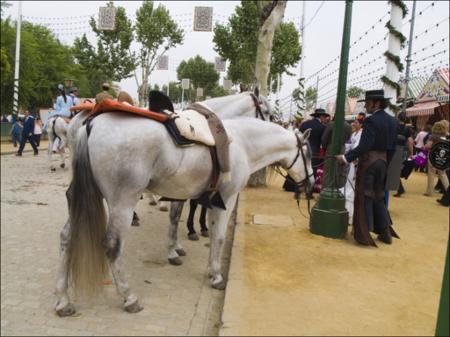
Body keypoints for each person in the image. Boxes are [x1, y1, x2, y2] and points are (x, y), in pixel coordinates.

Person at [336, 89, 399, 246]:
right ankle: (385, 233)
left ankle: (363, 234)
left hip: (369, 162)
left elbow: (365, 145)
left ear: (377, 103)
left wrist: (345, 158)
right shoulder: (393, 121)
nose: (366, 107)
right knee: (378, 196)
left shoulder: (371, 121)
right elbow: (392, 147)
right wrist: (385, 163)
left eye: (368, 103)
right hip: (383, 162)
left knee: (364, 195)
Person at [340, 113, 365, 224]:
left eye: (356, 123)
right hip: (351, 162)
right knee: (348, 184)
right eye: (354, 122)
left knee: (352, 186)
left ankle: (351, 214)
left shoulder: (361, 134)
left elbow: (358, 149)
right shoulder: (354, 134)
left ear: (361, 125)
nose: (354, 124)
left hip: (356, 163)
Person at [299, 109, 329, 179]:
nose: (325, 119)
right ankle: (310, 187)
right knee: (312, 169)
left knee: (300, 166)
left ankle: (293, 186)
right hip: (314, 151)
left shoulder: (304, 124)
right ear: (321, 116)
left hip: (302, 148)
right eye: (324, 117)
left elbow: (299, 136)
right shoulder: (322, 127)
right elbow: (323, 141)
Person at [424, 120, 449, 198]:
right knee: (443, 174)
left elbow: (428, 146)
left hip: (433, 157)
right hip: (443, 158)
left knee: (431, 173)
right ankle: (448, 191)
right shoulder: (446, 136)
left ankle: (430, 191)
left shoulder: (433, 136)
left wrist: (425, 146)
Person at [390, 113, 414, 197]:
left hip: (393, 150)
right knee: (396, 170)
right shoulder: (408, 129)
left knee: (394, 170)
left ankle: (400, 189)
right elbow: (410, 142)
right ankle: (399, 188)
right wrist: (411, 153)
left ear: (398, 118)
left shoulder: (394, 127)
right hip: (403, 150)